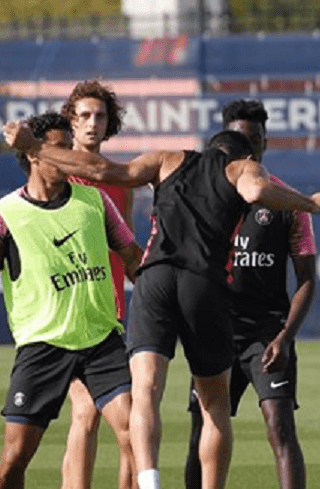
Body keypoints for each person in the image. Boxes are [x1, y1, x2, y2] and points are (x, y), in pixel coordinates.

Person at [3, 119, 320, 489]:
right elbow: (257, 191)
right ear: (243, 155)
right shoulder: (242, 167)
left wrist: (33, 144)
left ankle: (149, 483)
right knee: (214, 405)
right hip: (202, 285)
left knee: (144, 392)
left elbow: (105, 171)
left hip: (150, 284)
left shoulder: (165, 159)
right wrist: (311, 203)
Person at [0, 112, 143, 489]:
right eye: (59, 150)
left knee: (135, 434)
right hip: (42, 345)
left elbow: (132, 259)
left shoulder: (94, 201)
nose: (69, 159)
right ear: (33, 155)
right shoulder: (6, 214)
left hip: (101, 340)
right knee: (13, 460)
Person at [184, 99, 312, 489]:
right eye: (241, 141)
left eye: (255, 140)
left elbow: (307, 279)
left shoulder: (288, 203)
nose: (249, 149)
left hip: (265, 334)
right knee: (201, 430)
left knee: (280, 427)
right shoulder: (202, 201)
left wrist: (285, 337)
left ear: (265, 143)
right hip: (215, 330)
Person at [57, 79, 138, 489]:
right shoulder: (57, 175)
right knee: (86, 411)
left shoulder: (120, 179)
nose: (92, 124)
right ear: (70, 121)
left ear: (110, 124)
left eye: (100, 116)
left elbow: (128, 250)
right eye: (84, 115)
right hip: (69, 316)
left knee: (130, 421)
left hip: (113, 316)